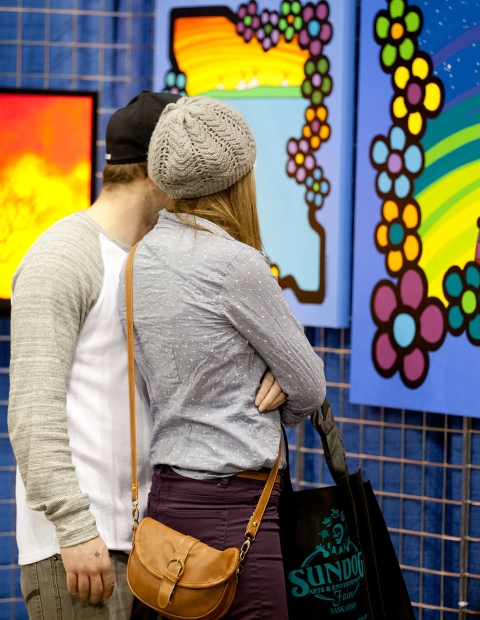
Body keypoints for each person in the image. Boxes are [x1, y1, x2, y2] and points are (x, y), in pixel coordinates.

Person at [8, 89, 286, 620]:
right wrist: (74, 527)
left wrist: (276, 367)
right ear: (158, 175)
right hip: (84, 550)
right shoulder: (63, 257)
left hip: (161, 547)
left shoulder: (165, 260)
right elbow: (31, 413)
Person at [123, 96, 326, 619]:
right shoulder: (236, 265)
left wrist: (276, 374)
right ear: (240, 176)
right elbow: (310, 386)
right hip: (240, 513)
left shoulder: (139, 259)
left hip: (165, 507)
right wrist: (279, 384)